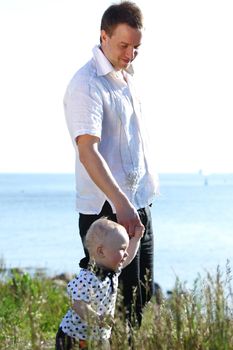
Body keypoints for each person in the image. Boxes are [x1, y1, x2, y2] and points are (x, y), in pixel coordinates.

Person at [64, 1, 159, 325]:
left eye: (136, 47)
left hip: (136, 206)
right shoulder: (86, 84)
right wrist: (122, 205)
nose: (130, 54)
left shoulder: (126, 79)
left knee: (139, 301)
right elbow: (88, 151)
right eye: (123, 45)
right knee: (110, 313)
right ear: (103, 36)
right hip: (106, 213)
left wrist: (136, 204)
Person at [55, 218, 144, 350]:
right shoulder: (87, 278)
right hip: (75, 338)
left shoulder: (113, 271)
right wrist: (98, 319)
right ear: (101, 251)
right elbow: (78, 305)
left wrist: (136, 239)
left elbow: (129, 257)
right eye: (122, 249)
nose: (125, 254)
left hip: (100, 336)